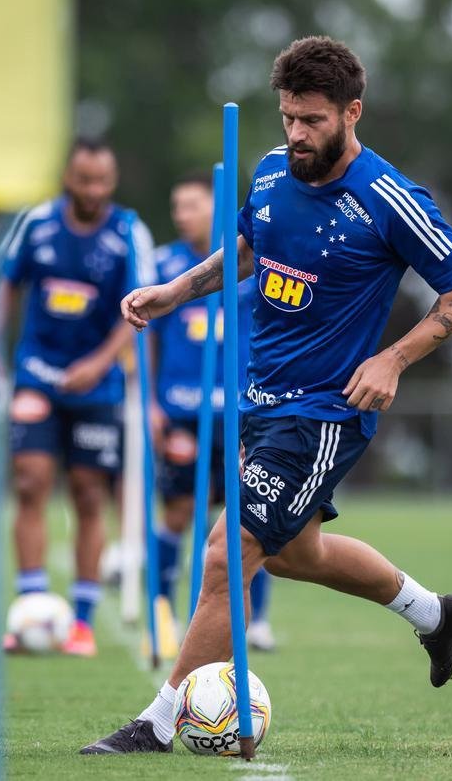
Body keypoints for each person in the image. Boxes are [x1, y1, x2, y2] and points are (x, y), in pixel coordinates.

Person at [82, 35, 452, 755]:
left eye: (312, 120)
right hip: (261, 400)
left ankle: (158, 722)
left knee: (227, 551)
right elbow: (248, 247)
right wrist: (175, 291)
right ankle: (435, 614)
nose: (297, 134)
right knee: (296, 553)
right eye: (288, 118)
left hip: (324, 411)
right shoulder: (273, 170)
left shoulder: (387, 198)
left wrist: (392, 359)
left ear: (352, 112)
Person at [0, 137, 153, 656]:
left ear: (112, 181)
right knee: (30, 483)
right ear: (68, 177)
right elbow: (6, 284)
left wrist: (100, 363)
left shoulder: (129, 231)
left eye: (102, 180)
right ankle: (31, 609)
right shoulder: (36, 222)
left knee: (89, 494)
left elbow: (139, 306)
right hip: (37, 374)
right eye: (84, 179)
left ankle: (82, 622)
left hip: (99, 382)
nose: (93, 189)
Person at [148, 172, 277, 651]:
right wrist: (149, 404)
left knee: (249, 515)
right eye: (176, 207)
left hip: (240, 411)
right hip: (181, 411)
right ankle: (160, 609)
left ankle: (255, 620)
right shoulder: (164, 264)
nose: (182, 215)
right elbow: (148, 341)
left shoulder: (251, 261)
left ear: (217, 207)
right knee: (180, 509)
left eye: (192, 205)